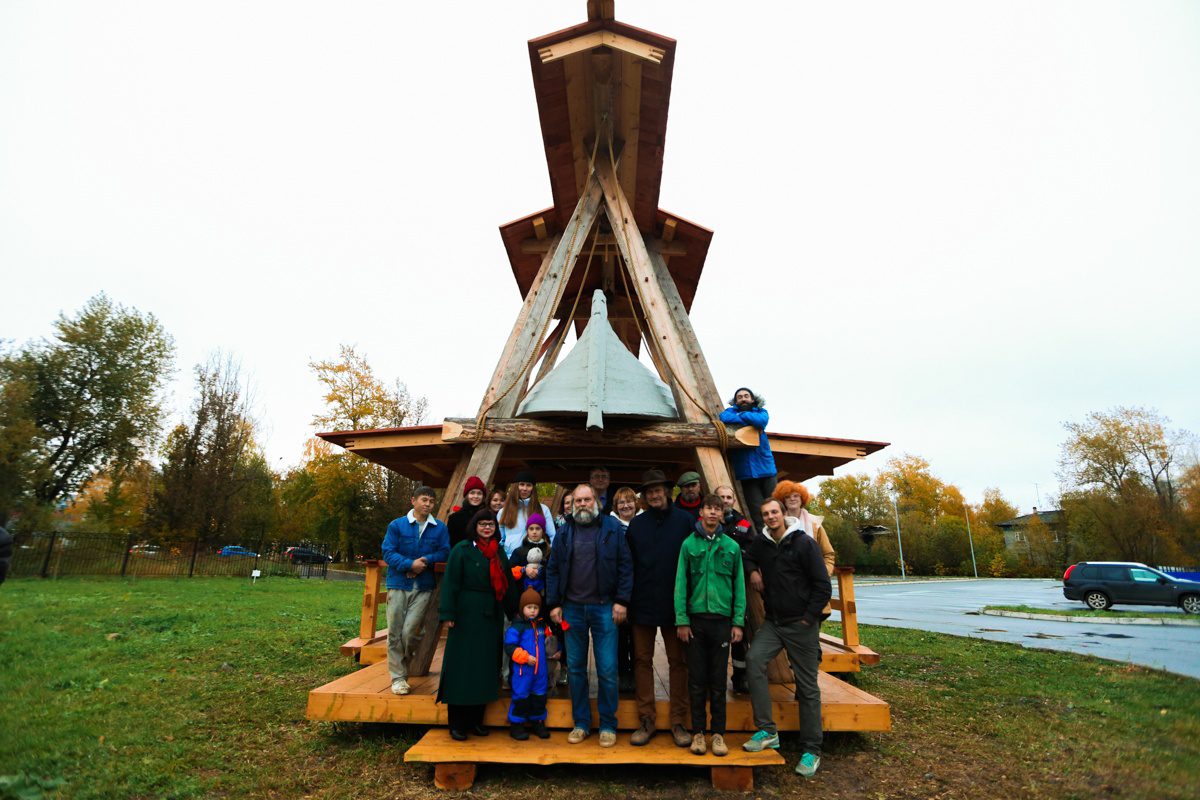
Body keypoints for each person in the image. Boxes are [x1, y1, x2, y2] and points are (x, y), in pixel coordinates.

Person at [741, 498, 832, 779]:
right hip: (774, 622)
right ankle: (767, 730)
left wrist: (809, 617)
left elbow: (822, 584)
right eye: (765, 514)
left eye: (774, 512)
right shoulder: (763, 543)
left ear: (783, 514)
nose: (770, 517)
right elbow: (747, 555)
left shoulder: (804, 543)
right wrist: (753, 571)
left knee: (807, 686)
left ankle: (812, 749)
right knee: (754, 660)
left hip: (801, 624)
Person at [546, 483, 632, 747]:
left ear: (596, 501)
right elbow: (553, 569)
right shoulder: (564, 532)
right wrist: (554, 604)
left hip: (604, 607)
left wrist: (622, 600)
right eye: (578, 501)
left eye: (587, 500)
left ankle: (607, 724)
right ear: (573, 504)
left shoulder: (612, 528)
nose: (582, 504)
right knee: (575, 669)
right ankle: (581, 722)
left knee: (607, 669)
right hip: (572, 608)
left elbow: (625, 566)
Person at [625, 469, 693, 748]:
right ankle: (646, 720)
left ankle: (678, 721)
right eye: (649, 491)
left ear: (666, 491)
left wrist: (688, 605)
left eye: (657, 490)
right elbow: (627, 565)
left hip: (675, 605)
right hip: (642, 603)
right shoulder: (636, 525)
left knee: (678, 663)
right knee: (642, 661)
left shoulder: (685, 521)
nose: (653, 495)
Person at [675, 494, 746, 757]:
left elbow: (739, 586)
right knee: (696, 680)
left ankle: (718, 734)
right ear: (701, 512)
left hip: (722, 622)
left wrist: (738, 621)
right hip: (696, 621)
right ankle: (698, 733)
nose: (713, 513)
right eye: (709, 508)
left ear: (722, 513)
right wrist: (682, 619)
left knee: (718, 680)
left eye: (718, 509)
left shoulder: (732, 547)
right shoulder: (688, 544)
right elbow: (681, 584)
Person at [437, 509, 516, 740]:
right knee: (462, 667)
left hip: (490, 615)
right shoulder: (461, 550)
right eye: (482, 524)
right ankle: (457, 723)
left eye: (490, 524)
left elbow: (508, 583)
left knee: (484, 667)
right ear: (475, 526)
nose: (487, 528)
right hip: (465, 615)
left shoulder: (498, 552)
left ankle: (476, 721)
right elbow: (451, 582)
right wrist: (448, 613)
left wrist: (515, 610)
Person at [381, 486, 450, 696]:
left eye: (431, 501)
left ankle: (403, 663)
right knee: (394, 632)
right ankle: (398, 678)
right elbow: (388, 552)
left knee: (411, 632)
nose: (428, 504)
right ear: (413, 500)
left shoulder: (439, 528)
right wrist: (409, 564)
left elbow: (445, 551)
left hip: (423, 586)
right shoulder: (397, 525)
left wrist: (425, 561)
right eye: (424, 500)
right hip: (398, 584)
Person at [718, 388, 777, 531]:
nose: (743, 399)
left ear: (752, 399)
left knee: (775, 509)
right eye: (739, 397)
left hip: (767, 471)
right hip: (747, 474)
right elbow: (724, 418)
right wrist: (749, 420)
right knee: (757, 515)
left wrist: (742, 415)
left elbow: (761, 421)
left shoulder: (761, 412)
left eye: (746, 396)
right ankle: (764, 540)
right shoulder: (730, 412)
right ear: (735, 401)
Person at [715, 484, 754, 693]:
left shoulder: (744, 524)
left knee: (739, 635)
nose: (725, 500)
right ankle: (714, 681)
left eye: (728, 497)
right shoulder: (708, 522)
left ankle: (740, 677)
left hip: (737, 585)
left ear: (733, 500)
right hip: (714, 587)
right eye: (721, 497)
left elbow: (751, 550)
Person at [504, 588, 554, 740]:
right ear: (522, 608)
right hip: (522, 672)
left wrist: (556, 649)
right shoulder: (517, 627)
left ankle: (537, 722)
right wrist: (525, 658)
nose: (532, 611)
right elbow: (510, 647)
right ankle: (516, 725)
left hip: (540, 672)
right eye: (529, 607)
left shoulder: (542, 625)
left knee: (539, 697)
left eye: (536, 607)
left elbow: (550, 641)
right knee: (521, 698)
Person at [609, 485, 640, 693]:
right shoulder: (611, 527)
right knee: (619, 636)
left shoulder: (643, 524)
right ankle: (623, 673)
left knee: (637, 637)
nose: (626, 505)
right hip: (617, 588)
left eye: (629, 501)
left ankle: (637, 674)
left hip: (640, 589)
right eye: (621, 502)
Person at [499, 470, 557, 556]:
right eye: (522, 484)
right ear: (515, 486)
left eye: (529, 485)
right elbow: (501, 538)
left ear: (533, 488)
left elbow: (552, 536)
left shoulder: (543, 509)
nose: (525, 488)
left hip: (535, 558)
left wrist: (547, 555)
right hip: (509, 557)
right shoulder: (503, 511)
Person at [447, 475, 488, 548]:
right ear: (466, 495)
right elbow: (450, 544)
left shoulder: (489, 516)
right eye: (472, 493)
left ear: (483, 496)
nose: (476, 496)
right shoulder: (455, 518)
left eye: (479, 493)